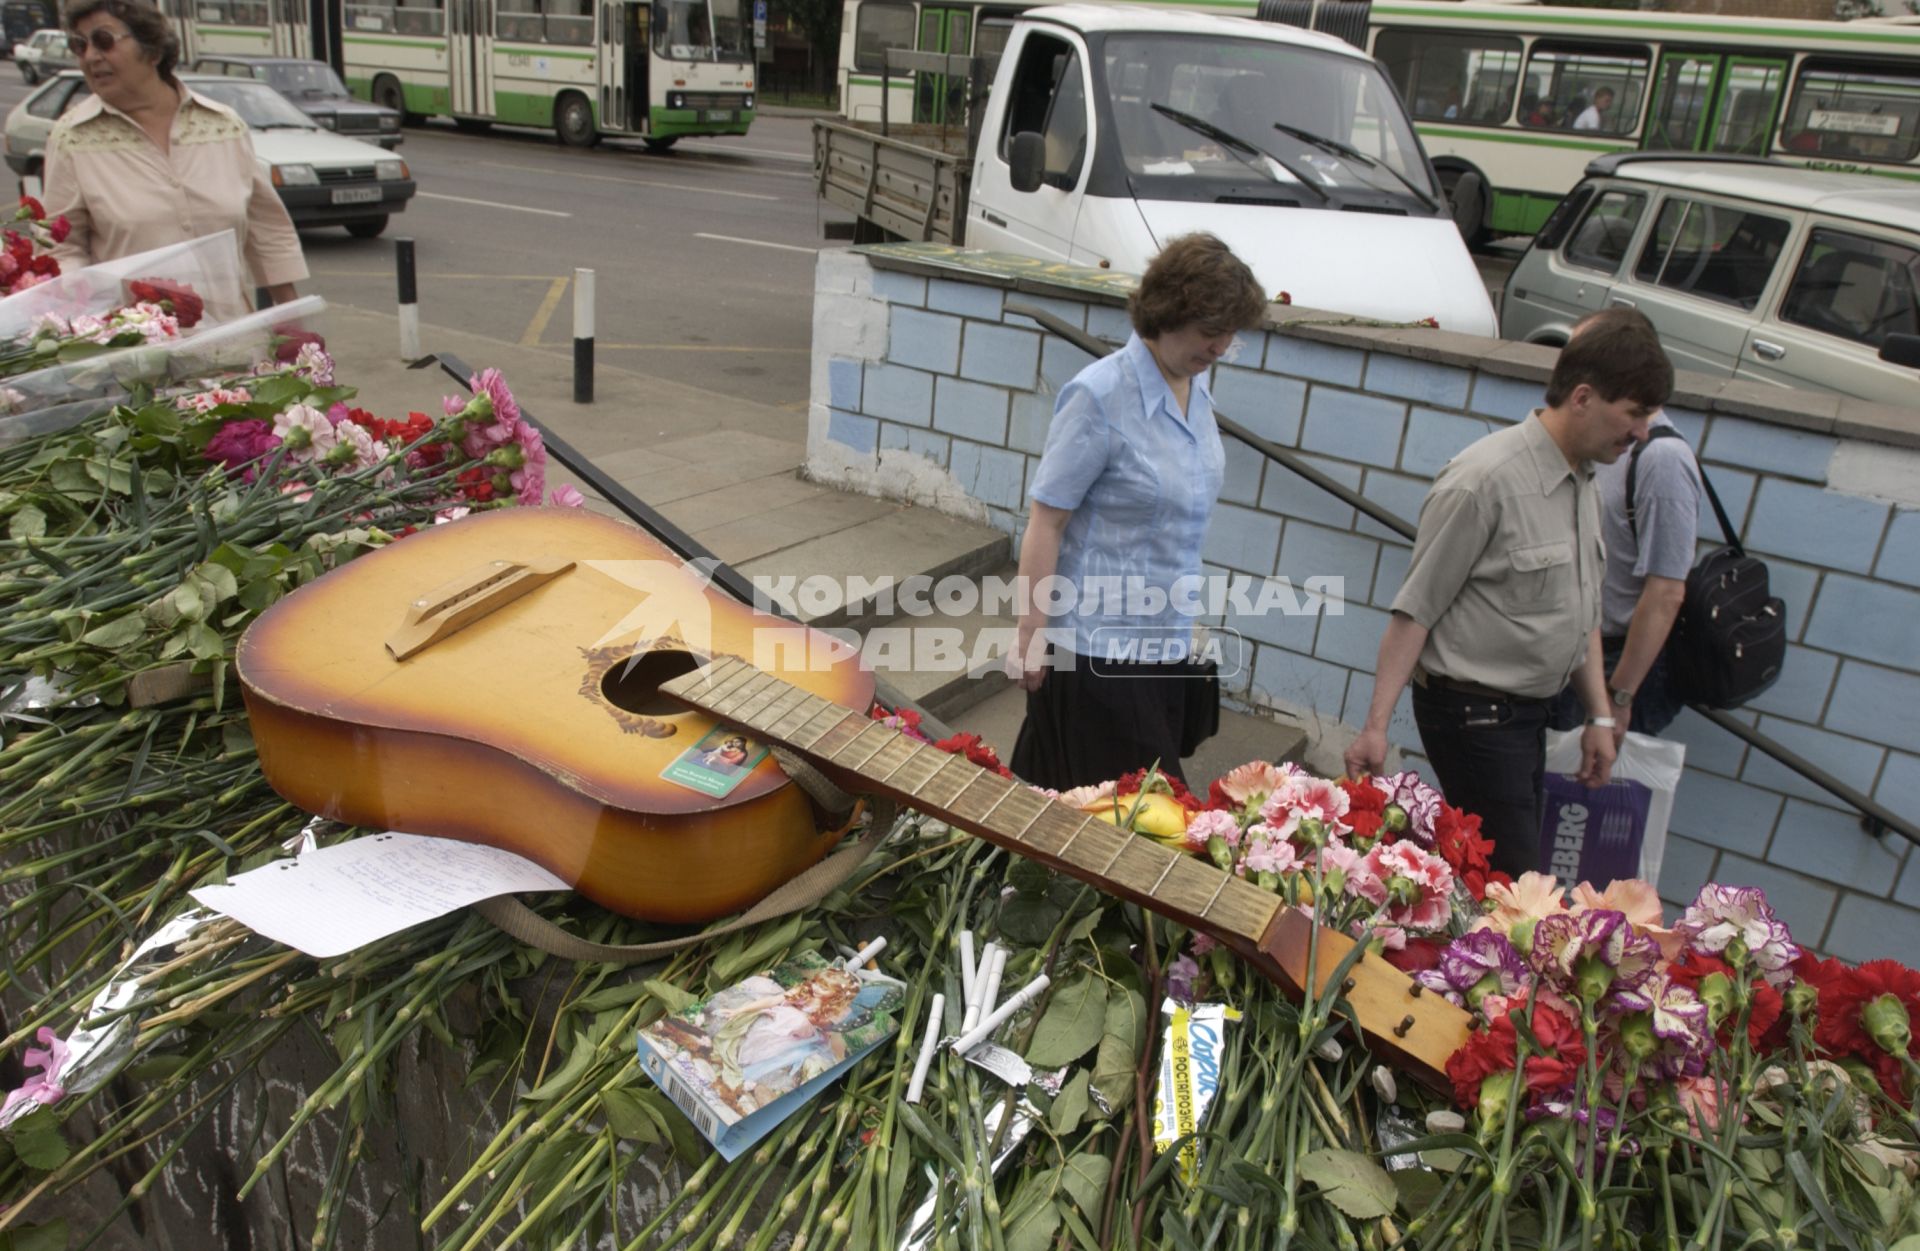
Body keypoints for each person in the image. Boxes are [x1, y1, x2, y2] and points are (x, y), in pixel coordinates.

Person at [1343, 309, 1674, 877]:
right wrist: (1375, 727)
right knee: (1513, 885)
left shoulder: (1585, 481)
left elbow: (1582, 614)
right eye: (1635, 413)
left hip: (1528, 717)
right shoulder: (1483, 480)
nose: (1642, 432)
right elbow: (1414, 610)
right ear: (1584, 397)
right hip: (1472, 716)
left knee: (1498, 881)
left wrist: (1598, 714)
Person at [1009, 232, 1267, 790]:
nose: (1222, 347)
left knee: (1069, 812)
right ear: (1169, 312)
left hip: (1165, 644)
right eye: (1210, 331)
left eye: (1231, 335)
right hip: (1097, 649)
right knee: (1138, 819)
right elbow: (1046, 521)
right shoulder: (1098, 397)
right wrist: (1030, 635)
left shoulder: (1197, 393)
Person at [42, 0, 308, 321]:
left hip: (232, 340)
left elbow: (267, 230)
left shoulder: (222, 125)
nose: (90, 57)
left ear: (153, 50)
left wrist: (289, 315)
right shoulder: (73, 138)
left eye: (104, 41)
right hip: (135, 352)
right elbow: (62, 246)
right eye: (79, 45)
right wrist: (86, 320)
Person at [1548, 312, 1700, 745]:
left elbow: (1666, 591)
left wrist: (1619, 694)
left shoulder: (1661, 460)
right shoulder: (1604, 441)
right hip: (1579, 644)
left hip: (1616, 659)